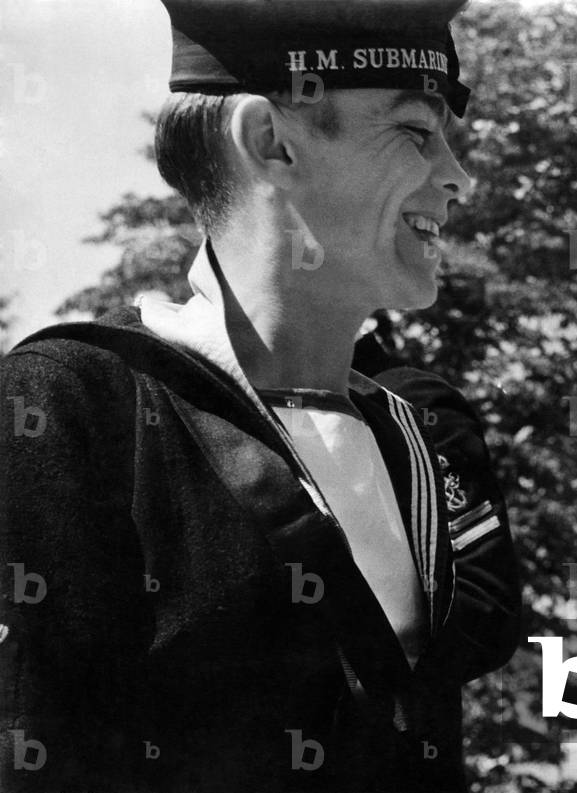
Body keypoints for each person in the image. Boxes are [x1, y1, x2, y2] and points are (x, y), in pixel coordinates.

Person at [0, 2, 519, 791]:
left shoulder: (413, 436)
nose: (457, 174)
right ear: (270, 142)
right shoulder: (74, 405)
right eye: (417, 132)